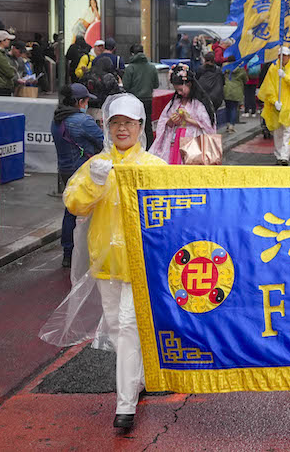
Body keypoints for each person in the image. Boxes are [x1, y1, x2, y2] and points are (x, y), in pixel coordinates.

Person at [54, 93, 165, 431]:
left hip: (142, 265)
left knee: (129, 326)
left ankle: (125, 404)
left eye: (128, 123)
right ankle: (138, 377)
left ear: (140, 127)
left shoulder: (155, 168)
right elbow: (74, 204)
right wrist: (94, 182)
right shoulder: (96, 166)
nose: (121, 129)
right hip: (106, 263)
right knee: (117, 328)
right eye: (115, 123)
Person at [51, 83, 104, 268]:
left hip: (65, 171)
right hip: (83, 171)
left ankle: (68, 252)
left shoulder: (57, 119)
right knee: (94, 211)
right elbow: (103, 141)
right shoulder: (83, 121)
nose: (87, 104)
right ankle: (91, 252)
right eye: (86, 101)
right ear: (79, 102)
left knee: (71, 210)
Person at [149, 64, 216, 164]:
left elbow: (208, 126)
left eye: (181, 89)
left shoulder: (199, 103)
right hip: (174, 140)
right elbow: (163, 120)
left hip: (194, 142)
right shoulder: (175, 102)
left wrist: (188, 120)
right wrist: (170, 121)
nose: (179, 93)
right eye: (177, 90)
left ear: (189, 84)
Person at [258, 47, 290, 165]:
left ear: (289, 56)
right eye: (281, 55)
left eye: (285, 55)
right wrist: (274, 101)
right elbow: (268, 87)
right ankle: (279, 155)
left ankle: (284, 156)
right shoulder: (273, 69)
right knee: (278, 132)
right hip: (277, 106)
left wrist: (285, 77)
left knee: (288, 131)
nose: (283, 58)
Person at [122, 43, 160, 143]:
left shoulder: (130, 68)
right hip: (148, 99)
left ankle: (136, 145)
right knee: (147, 125)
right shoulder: (152, 67)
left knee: (134, 124)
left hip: (134, 101)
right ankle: (149, 146)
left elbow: (126, 86)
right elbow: (156, 85)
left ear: (132, 53)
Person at [194, 52, 227, 126]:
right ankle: (212, 126)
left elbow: (195, 80)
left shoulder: (200, 69)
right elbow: (223, 82)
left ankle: (205, 126)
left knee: (203, 113)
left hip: (203, 96)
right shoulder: (218, 70)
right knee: (213, 113)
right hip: (216, 96)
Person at [221, 58, 246, 133]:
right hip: (236, 89)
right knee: (234, 108)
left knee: (227, 107)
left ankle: (228, 124)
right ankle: (232, 125)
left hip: (227, 88)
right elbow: (245, 79)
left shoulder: (225, 66)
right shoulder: (241, 68)